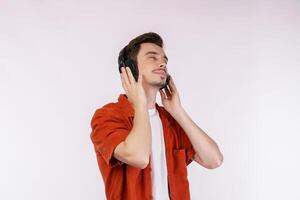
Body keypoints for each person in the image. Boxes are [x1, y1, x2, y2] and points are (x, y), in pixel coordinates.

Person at [90, 32, 223, 200]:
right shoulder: (107, 116)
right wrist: (140, 104)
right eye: (152, 57)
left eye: (165, 60)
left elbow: (214, 160)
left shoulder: (170, 120)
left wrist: (178, 111)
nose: (162, 64)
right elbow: (138, 156)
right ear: (130, 69)